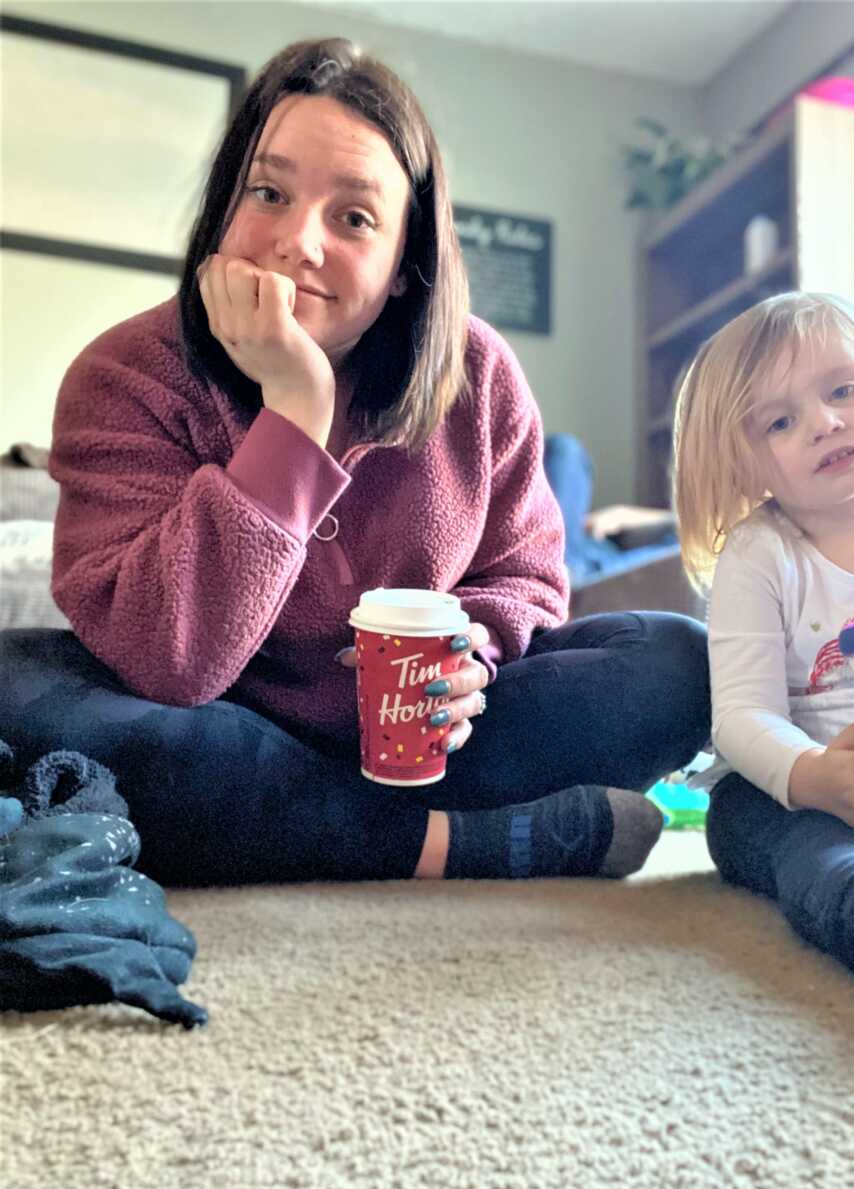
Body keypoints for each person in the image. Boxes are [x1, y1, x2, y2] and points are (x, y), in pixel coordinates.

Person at [0, 38, 709, 887]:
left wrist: (472, 653)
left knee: (674, 661)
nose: (298, 243)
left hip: (439, 747)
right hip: (221, 728)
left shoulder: (477, 375)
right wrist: (294, 412)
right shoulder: (125, 373)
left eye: (354, 217)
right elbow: (168, 660)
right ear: (225, 206)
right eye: (268, 192)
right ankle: (450, 846)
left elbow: (525, 577)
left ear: (407, 264)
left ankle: (320, 828)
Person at [672, 291, 854, 990]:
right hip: (808, 802)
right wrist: (816, 779)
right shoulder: (761, 553)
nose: (824, 423)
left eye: (843, 389)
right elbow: (741, 717)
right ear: (743, 463)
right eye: (780, 421)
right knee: (745, 820)